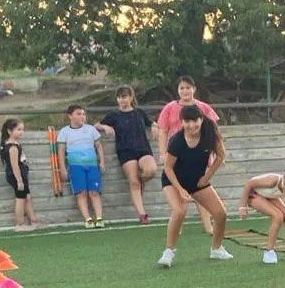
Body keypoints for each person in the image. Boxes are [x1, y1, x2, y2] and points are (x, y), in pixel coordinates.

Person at [157, 104, 233, 265]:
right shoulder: (176, 141)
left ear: (201, 119)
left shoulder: (209, 133)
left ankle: (216, 249)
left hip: (197, 181)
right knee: (179, 211)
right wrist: (180, 189)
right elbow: (168, 168)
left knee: (221, 214)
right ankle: (168, 252)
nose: (192, 125)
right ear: (182, 122)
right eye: (187, 122)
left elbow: (220, 156)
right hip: (173, 181)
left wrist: (206, 178)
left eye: (195, 121)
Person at [154, 76, 219, 236]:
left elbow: (214, 129)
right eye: (182, 88)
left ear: (194, 89)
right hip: (177, 156)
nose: (185, 91)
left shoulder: (203, 107)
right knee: (179, 192)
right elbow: (163, 130)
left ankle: (208, 225)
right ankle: (178, 223)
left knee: (201, 189)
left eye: (188, 87)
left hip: (199, 155)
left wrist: (212, 151)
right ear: (178, 90)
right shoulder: (169, 108)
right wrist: (162, 152)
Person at [97, 86, 157, 223]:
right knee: (133, 182)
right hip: (126, 151)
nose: (121, 100)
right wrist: (105, 126)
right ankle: (142, 214)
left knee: (151, 170)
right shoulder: (113, 115)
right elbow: (96, 125)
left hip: (143, 149)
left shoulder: (139, 112)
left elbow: (152, 122)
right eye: (119, 97)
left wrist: (154, 126)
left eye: (124, 97)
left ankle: (141, 182)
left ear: (131, 97)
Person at [58, 104, 106, 228]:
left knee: (94, 192)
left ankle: (99, 217)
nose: (82, 116)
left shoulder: (90, 129)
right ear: (70, 116)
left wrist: (102, 161)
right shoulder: (64, 132)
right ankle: (87, 218)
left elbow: (98, 146)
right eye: (78, 114)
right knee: (81, 193)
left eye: (83, 114)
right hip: (75, 166)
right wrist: (62, 168)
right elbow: (61, 150)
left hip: (92, 165)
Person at [0, 118, 39, 231]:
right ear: (9, 131)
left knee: (27, 197)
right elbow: (14, 165)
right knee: (20, 198)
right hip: (17, 174)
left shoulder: (15, 144)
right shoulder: (12, 147)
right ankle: (19, 224)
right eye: (18, 129)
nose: (21, 132)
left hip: (21, 173)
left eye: (22, 129)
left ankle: (34, 221)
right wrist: (19, 180)